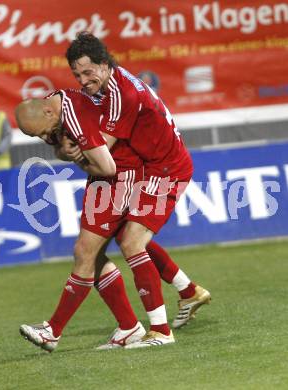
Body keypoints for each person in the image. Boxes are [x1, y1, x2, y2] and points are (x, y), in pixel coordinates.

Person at [64, 33, 211, 347]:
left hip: (165, 169)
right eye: (77, 75)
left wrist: (68, 148)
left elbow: (101, 149)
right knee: (125, 235)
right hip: (153, 166)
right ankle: (188, 291)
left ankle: (159, 331)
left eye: (88, 72)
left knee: (132, 242)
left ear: (105, 65)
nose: (83, 80)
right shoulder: (111, 85)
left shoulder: (123, 94)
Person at [16, 92, 147, 352]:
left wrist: (76, 158)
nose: (44, 138)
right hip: (103, 179)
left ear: (48, 113)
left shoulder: (74, 114)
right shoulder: (51, 112)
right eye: (36, 137)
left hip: (120, 176)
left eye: (43, 132)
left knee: (85, 252)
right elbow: (65, 149)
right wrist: (65, 152)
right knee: (92, 255)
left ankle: (52, 331)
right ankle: (130, 325)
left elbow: (106, 167)